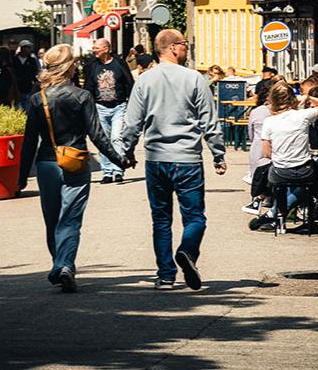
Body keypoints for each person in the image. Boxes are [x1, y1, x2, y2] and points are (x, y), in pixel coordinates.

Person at [122, 29, 227, 291]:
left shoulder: (145, 81)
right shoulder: (194, 79)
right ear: (171, 48)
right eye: (184, 44)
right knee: (195, 218)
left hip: (156, 159)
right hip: (187, 159)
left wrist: (126, 150)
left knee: (161, 219)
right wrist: (218, 153)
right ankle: (188, 252)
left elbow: (132, 121)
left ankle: (166, 276)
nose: (187, 48)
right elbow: (208, 120)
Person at [19, 44, 129, 293]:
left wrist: (21, 177)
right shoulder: (82, 96)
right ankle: (65, 265)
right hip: (76, 162)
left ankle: (60, 265)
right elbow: (98, 136)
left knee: (52, 219)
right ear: (70, 66)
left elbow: (28, 141)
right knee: (70, 219)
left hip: (47, 164)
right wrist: (119, 159)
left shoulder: (38, 99)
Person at [249, 82, 318, 232]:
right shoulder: (302, 115)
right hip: (304, 170)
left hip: (280, 171)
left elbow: (266, 153)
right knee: (308, 178)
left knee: (284, 179)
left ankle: (276, 216)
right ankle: (277, 214)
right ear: (293, 98)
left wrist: (282, 156)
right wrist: (306, 96)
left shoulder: (269, 122)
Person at [84, 38, 134, 184]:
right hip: (100, 107)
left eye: (96, 48)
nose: (94, 51)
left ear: (106, 49)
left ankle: (118, 169)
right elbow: (88, 86)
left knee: (116, 138)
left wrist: (130, 102)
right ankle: (107, 172)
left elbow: (129, 83)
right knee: (103, 140)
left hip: (119, 106)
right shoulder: (92, 66)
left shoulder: (119, 64)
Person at [242, 79, 274, 215]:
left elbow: (250, 133)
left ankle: (257, 199)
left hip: (257, 148)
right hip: (272, 149)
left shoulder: (256, 112)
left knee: (260, 173)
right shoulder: (279, 113)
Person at [13, 40, 40, 110]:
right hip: (16, 87)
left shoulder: (32, 60)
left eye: (29, 47)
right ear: (22, 48)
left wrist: (35, 85)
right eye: (27, 47)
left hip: (28, 87)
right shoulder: (14, 60)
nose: (29, 49)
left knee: (27, 107)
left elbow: (35, 73)